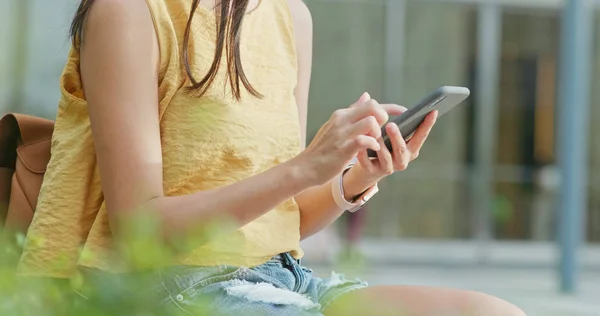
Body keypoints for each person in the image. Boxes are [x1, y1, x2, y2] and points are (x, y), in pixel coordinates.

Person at [17, 0, 526, 315]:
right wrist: (304, 167)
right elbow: (140, 229)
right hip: (166, 286)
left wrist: (347, 179)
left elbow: (288, 219)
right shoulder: (129, 12)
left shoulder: (290, 16)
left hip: (283, 278)